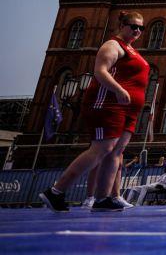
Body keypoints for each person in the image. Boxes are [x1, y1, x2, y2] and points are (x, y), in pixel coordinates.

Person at [40, 11, 150, 213]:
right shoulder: (112, 45)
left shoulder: (131, 49)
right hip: (108, 104)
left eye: (141, 27)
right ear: (122, 25)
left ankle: (102, 199)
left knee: (116, 152)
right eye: (133, 26)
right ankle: (56, 191)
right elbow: (100, 71)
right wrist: (119, 89)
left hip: (128, 109)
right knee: (101, 149)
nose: (137, 30)